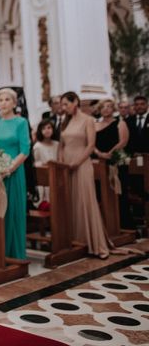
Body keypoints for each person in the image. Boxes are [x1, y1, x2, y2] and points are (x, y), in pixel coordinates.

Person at [59, 91, 109, 259]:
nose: (63, 108)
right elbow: (61, 145)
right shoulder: (65, 122)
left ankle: (93, 243)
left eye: (66, 104)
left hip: (81, 164)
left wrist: (76, 162)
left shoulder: (88, 120)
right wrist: (61, 163)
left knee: (84, 200)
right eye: (62, 104)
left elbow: (91, 145)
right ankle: (75, 240)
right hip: (66, 165)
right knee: (70, 202)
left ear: (75, 103)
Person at [0, 88, 30, 260]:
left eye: (7, 99)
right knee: (0, 212)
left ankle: (15, 253)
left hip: (13, 173)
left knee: (12, 210)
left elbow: (25, 150)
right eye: (0, 100)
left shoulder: (21, 122)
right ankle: (0, 250)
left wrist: (9, 168)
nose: (3, 102)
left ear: (14, 103)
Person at [93, 98, 132, 229]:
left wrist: (109, 153)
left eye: (109, 106)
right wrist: (99, 154)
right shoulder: (95, 125)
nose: (106, 109)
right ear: (99, 109)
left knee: (119, 193)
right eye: (103, 107)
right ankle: (106, 225)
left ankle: (124, 224)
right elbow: (91, 143)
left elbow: (123, 142)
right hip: (99, 162)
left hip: (117, 161)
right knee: (100, 193)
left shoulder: (120, 123)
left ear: (113, 109)